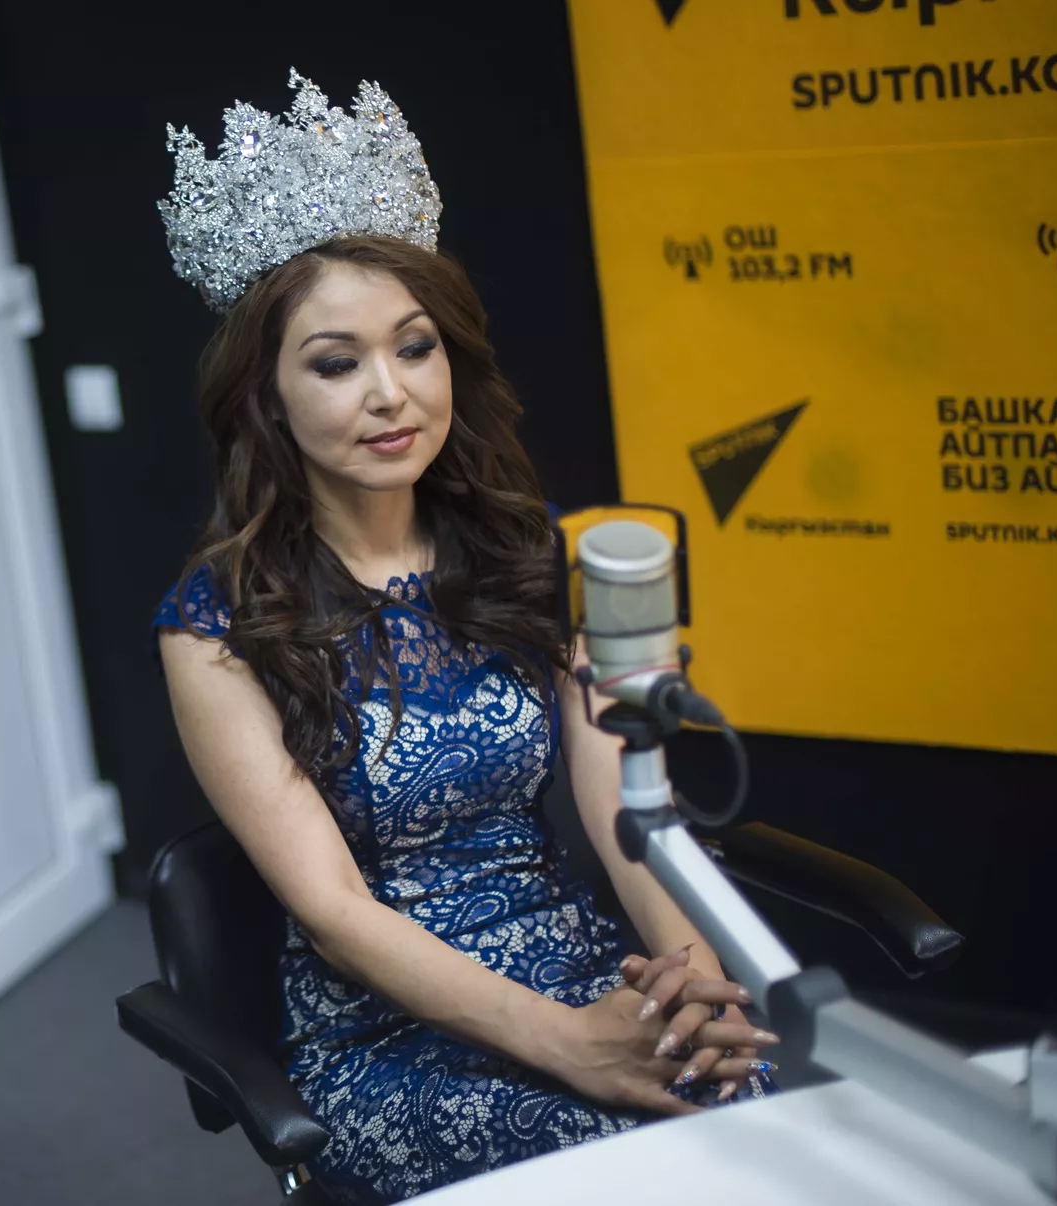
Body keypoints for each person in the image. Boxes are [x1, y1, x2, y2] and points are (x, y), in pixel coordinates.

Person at [151, 72, 779, 1204]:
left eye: (415, 347)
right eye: (336, 363)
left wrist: (690, 985)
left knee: (751, 1122)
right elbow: (334, 916)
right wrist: (571, 1045)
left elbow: (625, 807)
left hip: (584, 964)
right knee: (618, 1167)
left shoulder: (528, 550)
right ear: (268, 396)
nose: (390, 394)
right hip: (387, 1038)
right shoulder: (216, 626)